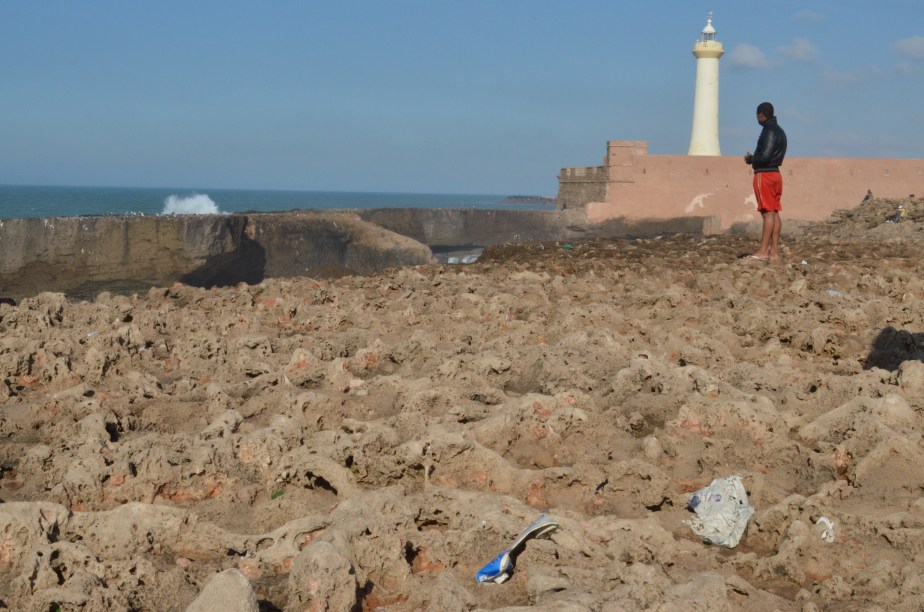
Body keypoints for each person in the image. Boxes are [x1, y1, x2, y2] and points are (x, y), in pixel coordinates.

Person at [744, 102, 787, 261]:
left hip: (765, 175)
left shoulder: (768, 131)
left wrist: (750, 159)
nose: (757, 118)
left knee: (767, 214)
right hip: (776, 174)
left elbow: (765, 156)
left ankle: (763, 251)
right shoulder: (781, 131)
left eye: (757, 115)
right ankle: (774, 253)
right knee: (774, 212)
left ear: (761, 114)